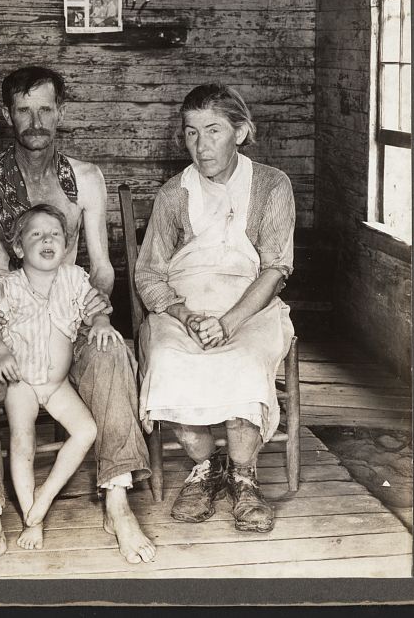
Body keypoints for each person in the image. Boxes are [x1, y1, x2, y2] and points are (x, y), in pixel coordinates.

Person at [0, 66, 155, 578]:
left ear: (61, 112)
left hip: (70, 306)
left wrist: (96, 314)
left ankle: (117, 501)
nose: (35, 121)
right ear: (8, 115)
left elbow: (99, 265)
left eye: (45, 109)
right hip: (4, 308)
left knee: (111, 350)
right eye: (24, 110)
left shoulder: (85, 178)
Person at [135, 83, 295, 533]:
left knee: (244, 360)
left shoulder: (271, 185)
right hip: (184, 307)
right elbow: (149, 274)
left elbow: (276, 267)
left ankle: (243, 476)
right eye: (190, 133)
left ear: (240, 132)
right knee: (167, 359)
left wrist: (227, 323)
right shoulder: (173, 194)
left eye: (213, 130)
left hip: (251, 305)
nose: (201, 146)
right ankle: (205, 469)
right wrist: (186, 316)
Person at [0, 205, 120, 550]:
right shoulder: (7, 286)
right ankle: (33, 519)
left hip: (58, 385)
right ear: (18, 248)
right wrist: (1, 352)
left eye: (55, 234)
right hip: (23, 385)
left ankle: (44, 494)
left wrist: (101, 323)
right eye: (36, 234)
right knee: (22, 441)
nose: (48, 240)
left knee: (87, 430)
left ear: (66, 244)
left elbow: (96, 308)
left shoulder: (75, 278)